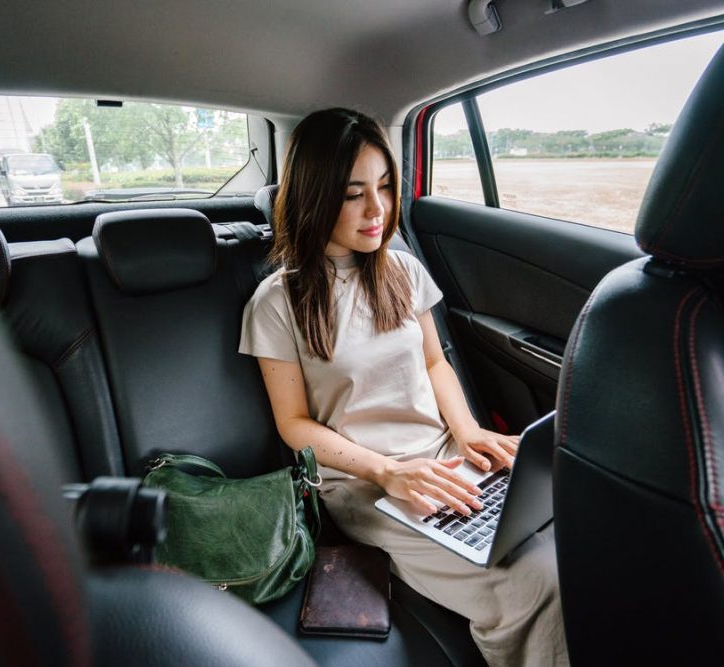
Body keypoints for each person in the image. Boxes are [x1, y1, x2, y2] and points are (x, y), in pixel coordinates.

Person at [238, 107, 567, 666]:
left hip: (442, 458)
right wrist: (387, 472)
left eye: (386, 187)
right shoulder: (277, 301)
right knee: (532, 586)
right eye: (352, 194)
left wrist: (468, 433)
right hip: (365, 486)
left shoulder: (403, 269)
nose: (378, 210)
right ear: (316, 197)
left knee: (574, 527)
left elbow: (436, 363)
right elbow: (293, 424)